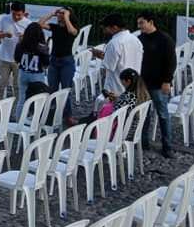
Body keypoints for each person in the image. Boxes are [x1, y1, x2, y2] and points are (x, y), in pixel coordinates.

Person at [137, 11, 177, 158]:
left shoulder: (164, 39)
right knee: (144, 115)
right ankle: (143, 142)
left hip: (159, 84)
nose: (140, 26)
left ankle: (167, 146)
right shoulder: (140, 39)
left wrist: (167, 81)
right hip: (143, 84)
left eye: (142, 23)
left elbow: (171, 62)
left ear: (151, 22)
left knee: (163, 115)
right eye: (138, 23)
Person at [39, 6, 78, 121]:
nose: (60, 14)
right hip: (54, 60)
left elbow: (72, 32)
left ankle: (68, 115)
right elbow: (40, 24)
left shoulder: (73, 26)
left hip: (67, 61)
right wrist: (52, 13)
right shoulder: (55, 27)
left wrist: (66, 17)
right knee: (52, 88)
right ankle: (51, 113)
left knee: (66, 89)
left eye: (63, 13)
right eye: (60, 13)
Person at [90, 13, 143, 95]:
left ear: (114, 27)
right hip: (134, 86)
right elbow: (125, 59)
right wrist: (104, 56)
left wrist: (102, 57)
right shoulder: (135, 40)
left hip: (116, 88)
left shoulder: (114, 43)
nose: (104, 31)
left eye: (105, 28)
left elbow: (108, 67)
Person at [75, 68, 150, 126]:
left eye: (122, 81)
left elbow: (115, 113)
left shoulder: (127, 96)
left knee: (91, 118)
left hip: (121, 128)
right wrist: (118, 98)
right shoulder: (141, 94)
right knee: (92, 117)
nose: (122, 84)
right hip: (133, 126)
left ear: (128, 81)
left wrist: (112, 101)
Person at [0, 2, 29, 99]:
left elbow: (31, 43)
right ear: (11, 11)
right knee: (1, 85)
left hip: (19, 60)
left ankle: (18, 105)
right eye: (14, 14)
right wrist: (5, 34)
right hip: (5, 57)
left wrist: (23, 38)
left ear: (24, 13)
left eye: (19, 15)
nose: (16, 17)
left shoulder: (28, 23)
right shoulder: (4, 19)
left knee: (17, 86)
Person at [14, 22, 50, 113]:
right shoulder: (42, 47)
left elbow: (16, 59)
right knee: (37, 101)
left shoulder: (20, 45)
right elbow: (46, 63)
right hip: (36, 75)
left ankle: (19, 119)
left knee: (22, 100)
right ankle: (34, 119)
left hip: (23, 73)